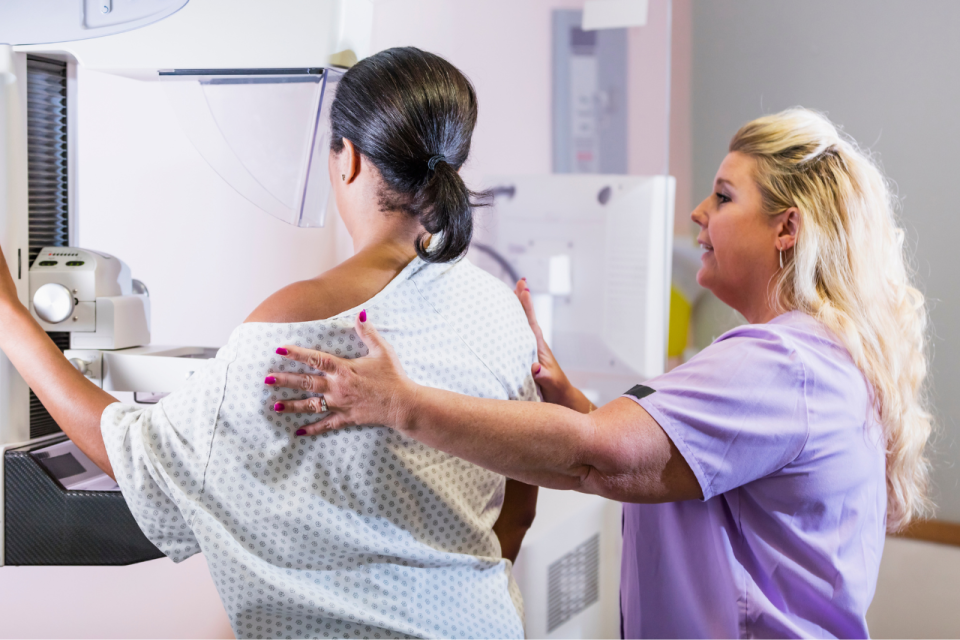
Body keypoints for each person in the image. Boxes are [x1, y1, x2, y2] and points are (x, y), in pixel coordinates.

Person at [267, 108, 934, 638]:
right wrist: (576, 405)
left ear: (786, 228)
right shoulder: (817, 358)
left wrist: (397, 404)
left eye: (724, 197)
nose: (700, 213)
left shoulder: (782, 364)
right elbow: (663, 466)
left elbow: (603, 462)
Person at [0, 47, 541, 639]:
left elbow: (134, 453)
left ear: (349, 160)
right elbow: (519, 509)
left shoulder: (298, 319)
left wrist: (8, 315)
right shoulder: (501, 311)